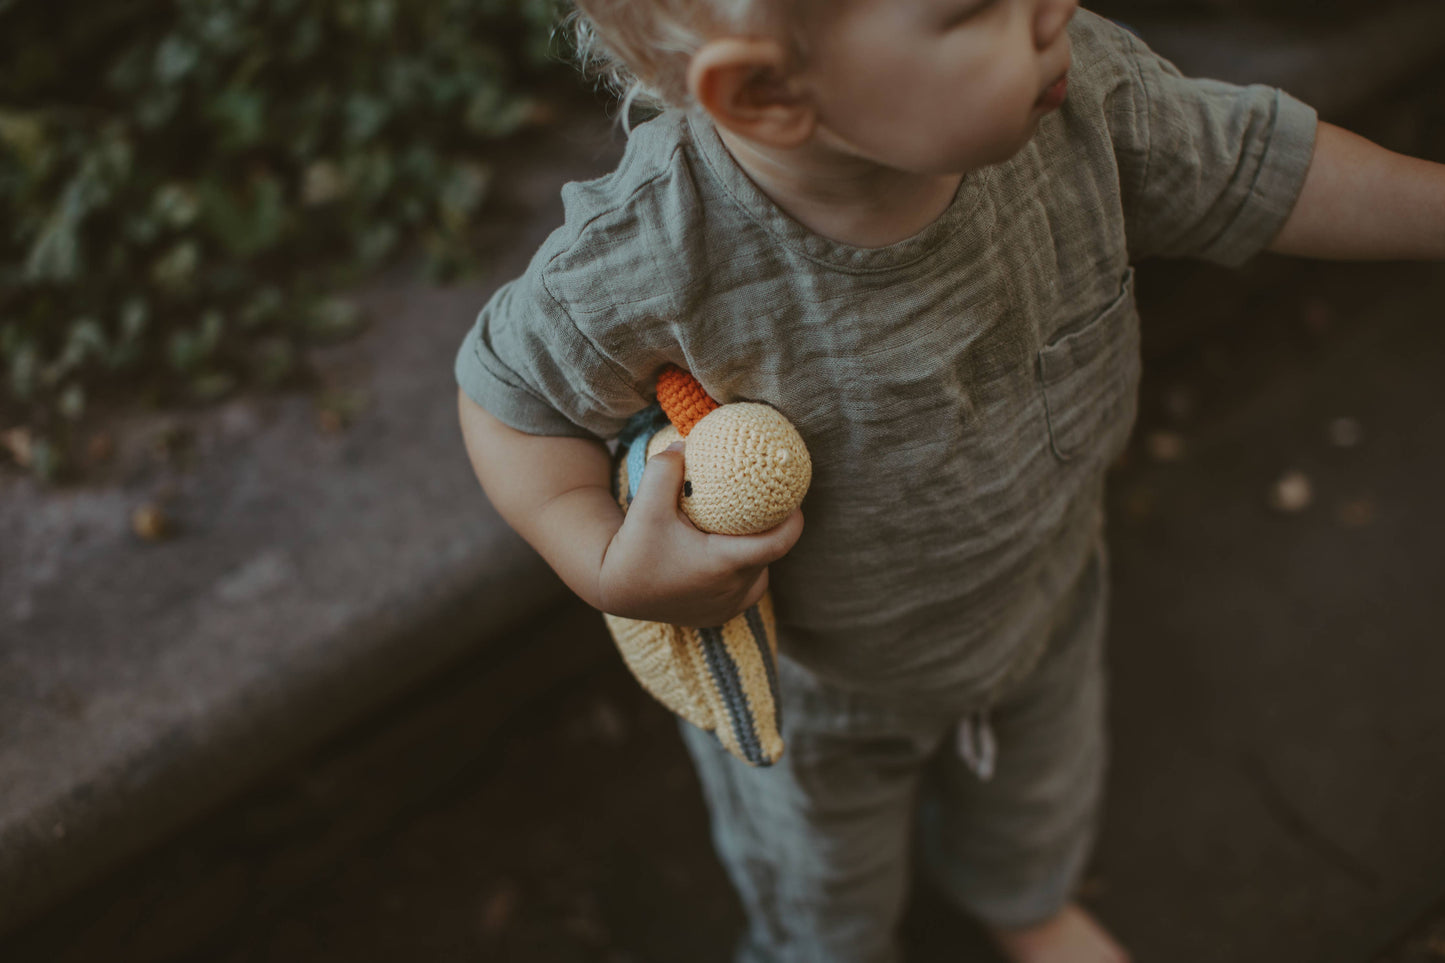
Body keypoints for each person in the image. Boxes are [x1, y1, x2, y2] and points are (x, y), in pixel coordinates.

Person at [456, 1, 1445, 959]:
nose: (1052, 6)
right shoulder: (653, 251)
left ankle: (1023, 904)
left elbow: (1255, 166)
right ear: (767, 92)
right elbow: (509, 402)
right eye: (977, 6)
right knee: (822, 892)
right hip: (815, 699)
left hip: (1043, 600)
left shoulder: (1077, 92)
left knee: (1040, 801)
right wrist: (598, 561)